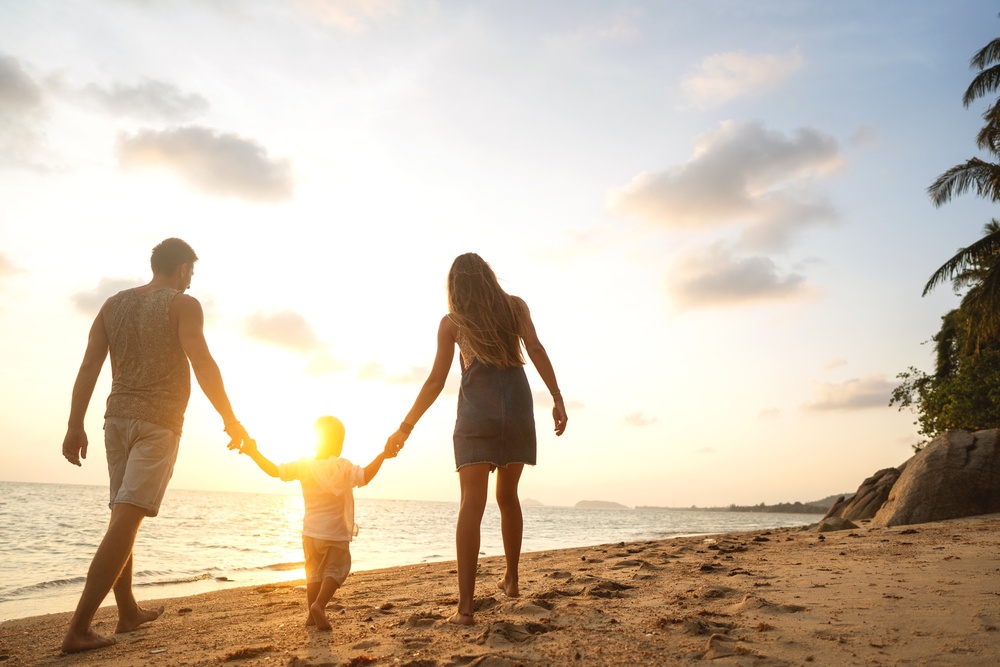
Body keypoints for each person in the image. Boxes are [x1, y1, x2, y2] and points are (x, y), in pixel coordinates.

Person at [59, 238, 251, 653]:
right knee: (127, 521)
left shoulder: (113, 304)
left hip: (115, 422)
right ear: (183, 269)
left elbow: (90, 364)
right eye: (191, 273)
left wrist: (75, 424)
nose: (189, 281)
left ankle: (127, 611)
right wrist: (231, 419)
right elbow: (201, 360)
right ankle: (78, 628)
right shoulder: (183, 304)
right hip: (158, 424)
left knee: (121, 518)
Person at [386, 252, 567, 625]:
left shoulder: (453, 322)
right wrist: (557, 397)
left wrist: (405, 427)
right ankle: (512, 580)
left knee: (471, 503)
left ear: (455, 286)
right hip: (517, 408)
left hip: (476, 413)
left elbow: (436, 380)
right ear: (488, 278)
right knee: (508, 496)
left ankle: (465, 609)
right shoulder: (515, 307)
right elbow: (534, 349)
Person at [239, 416, 398, 630]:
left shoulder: (304, 466)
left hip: (310, 533)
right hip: (334, 533)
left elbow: (274, 471)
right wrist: (382, 456)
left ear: (315, 441)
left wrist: (253, 453)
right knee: (337, 569)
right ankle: (319, 606)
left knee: (313, 573)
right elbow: (365, 476)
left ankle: (311, 616)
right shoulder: (342, 467)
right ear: (339, 444)